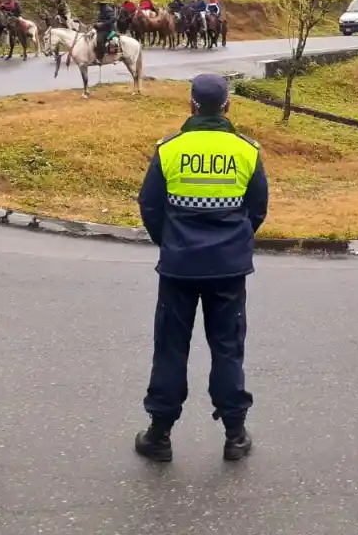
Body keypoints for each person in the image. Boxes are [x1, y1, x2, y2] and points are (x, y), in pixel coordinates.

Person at [134, 74, 269, 463]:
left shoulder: (169, 150)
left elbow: (150, 206)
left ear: (191, 105)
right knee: (228, 348)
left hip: (179, 267)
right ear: (227, 106)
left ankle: (159, 435)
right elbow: (256, 209)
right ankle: (235, 435)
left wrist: (170, 241)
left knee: (170, 348)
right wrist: (234, 241)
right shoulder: (246, 151)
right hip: (228, 270)